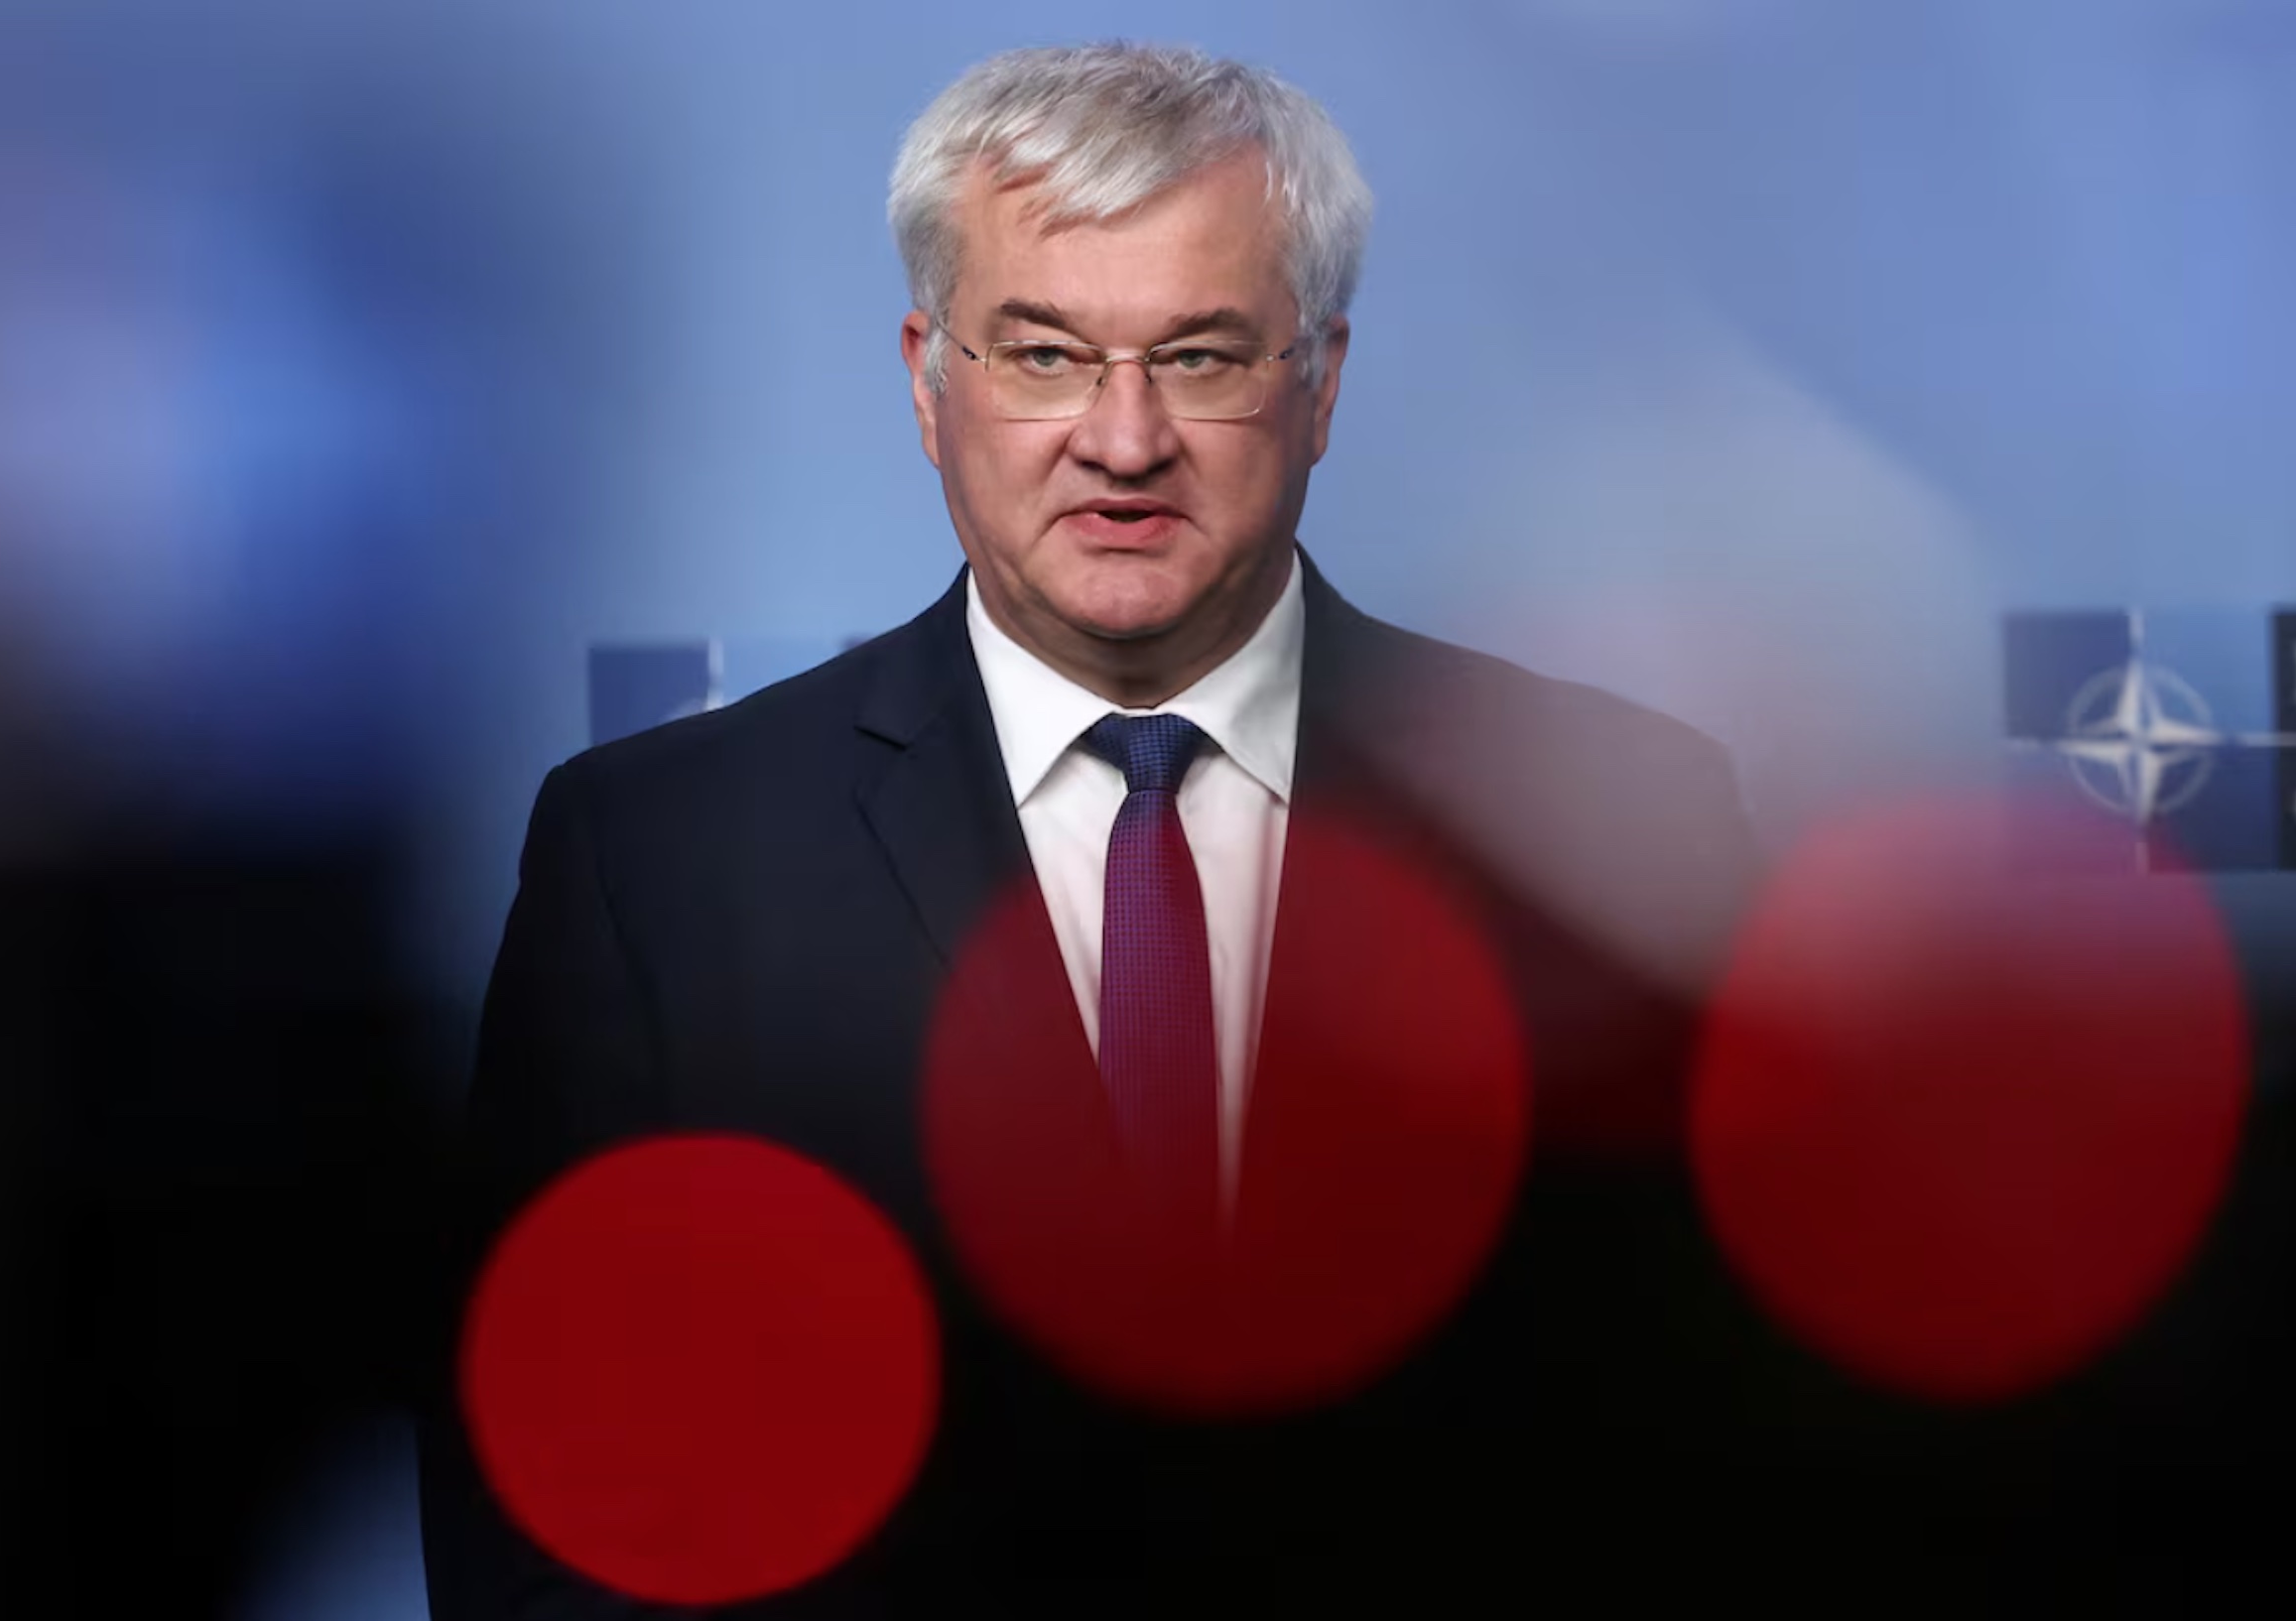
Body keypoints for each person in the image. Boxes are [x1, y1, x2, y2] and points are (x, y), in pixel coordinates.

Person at [423, 43, 1759, 1618]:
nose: (1121, 442)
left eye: (1200, 358)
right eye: (1043, 356)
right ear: (929, 381)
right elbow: (553, 1492)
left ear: (1320, 382)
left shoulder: (1591, 822)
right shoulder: (658, 853)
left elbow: (1726, 1447)